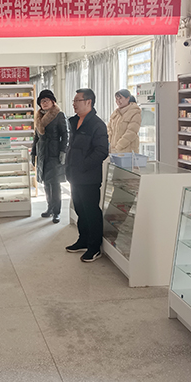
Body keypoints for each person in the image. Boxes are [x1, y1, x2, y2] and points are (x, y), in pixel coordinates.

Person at [65, 88, 110, 263]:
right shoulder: (74, 122)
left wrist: (83, 166)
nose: (74, 104)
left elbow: (102, 151)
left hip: (89, 177)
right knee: (80, 209)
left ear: (88, 102)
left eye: (77, 101)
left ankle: (94, 247)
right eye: (74, 101)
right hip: (74, 175)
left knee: (91, 212)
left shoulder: (97, 125)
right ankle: (83, 240)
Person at [31, 89, 69, 224]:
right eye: (42, 101)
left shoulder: (59, 115)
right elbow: (36, 137)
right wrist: (33, 153)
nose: (44, 103)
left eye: (46, 100)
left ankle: (57, 211)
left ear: (53, 101)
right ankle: (50, 208)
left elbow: (65, 134)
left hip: (54, 153)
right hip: (42, 154)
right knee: (46, 183)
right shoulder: (38, 117)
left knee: (55, 183)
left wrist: (63, 151)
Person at [107, 89, 142, 154]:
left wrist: (118, 146)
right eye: (116, 99)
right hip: (114, 151)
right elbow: (109, 129)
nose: (118, 101)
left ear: (128, 98)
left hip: (128, 152)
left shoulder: (135, 112)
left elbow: (131, 132)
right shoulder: (115, 113)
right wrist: (109, 145)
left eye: (120, 98)